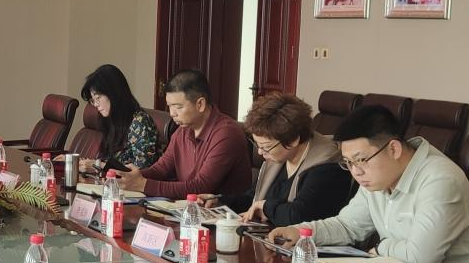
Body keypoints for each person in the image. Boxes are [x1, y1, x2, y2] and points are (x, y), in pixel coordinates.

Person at [269, 105, 469, 263]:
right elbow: (348, 225)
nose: (356, 171)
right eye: (348, 163)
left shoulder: (440, 179)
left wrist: (381, 247)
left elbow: (421, 257)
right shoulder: (377, 178)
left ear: (393, 149)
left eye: (361, 160)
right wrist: (300, 232)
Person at [221, 94, 353, 225]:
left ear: (293, 140)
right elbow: (254, 199)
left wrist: (266, 208)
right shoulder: (280, 158)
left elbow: (298, 215)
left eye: (266, 147)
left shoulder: (328, 165)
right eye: (258, 145)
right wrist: (220, 201)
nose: (260, 152)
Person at [119, 69, 251, 199]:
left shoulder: (226, 134)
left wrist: (143, 185)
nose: (172, 113)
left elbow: (201, 186)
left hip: (222, 211)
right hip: (188, 207)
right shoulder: (183, 130)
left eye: (178, 107)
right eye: (169, 106)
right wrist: (131, 176)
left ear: (200, 104)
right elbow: (161, 170)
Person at [80, 64, 159, 170]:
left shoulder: (140, 122)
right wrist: (78, 162)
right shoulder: (111, 119)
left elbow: (141, 170)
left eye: (98, 98)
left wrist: (98, 165)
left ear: (114, 93)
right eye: (93, 100)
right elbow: (108, 160)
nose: (96, 104)